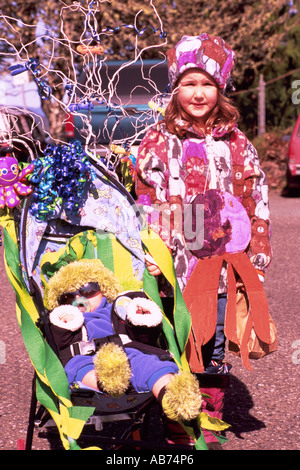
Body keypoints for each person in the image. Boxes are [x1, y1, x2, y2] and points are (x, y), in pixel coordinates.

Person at [135, 33, 274, 448]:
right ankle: (177, 422)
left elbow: (255, 196)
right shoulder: (158, 143)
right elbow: (148, 201)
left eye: (208, 84)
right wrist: (151, 251)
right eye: (190, 83)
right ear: (176, 87)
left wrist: (259, 251)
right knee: (175, 342)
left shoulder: (237, 145)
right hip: (174, 266)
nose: (199, 93)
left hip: (221, 269)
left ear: (221, 89)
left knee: (212, 345)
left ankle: (207, 418)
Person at [44, 258, 203, 424]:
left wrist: (140, 316)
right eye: (67, 297)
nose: (79, 297)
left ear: (104, 289)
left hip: (128, 352)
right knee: (77, 367)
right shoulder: (69, 320)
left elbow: (142, 332)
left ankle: (174, 395)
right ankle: (106, 380)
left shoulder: (118, 308)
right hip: (87, 357)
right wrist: (61, 322)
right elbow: (58, 343)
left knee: (150, 364)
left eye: (88, 289)